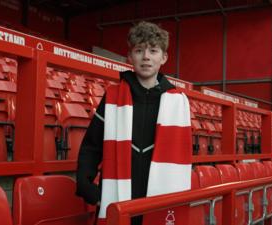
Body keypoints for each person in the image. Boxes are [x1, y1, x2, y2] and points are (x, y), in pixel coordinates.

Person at [76, 21, 192, 225]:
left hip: (159, 195)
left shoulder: (178, 101)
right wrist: (87, 186)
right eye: (139, 50)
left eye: (153, 51)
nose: (146, 57)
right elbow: (91, 146)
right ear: (130, 56)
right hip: (119, 194)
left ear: (163, 57)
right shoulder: (112, 96)